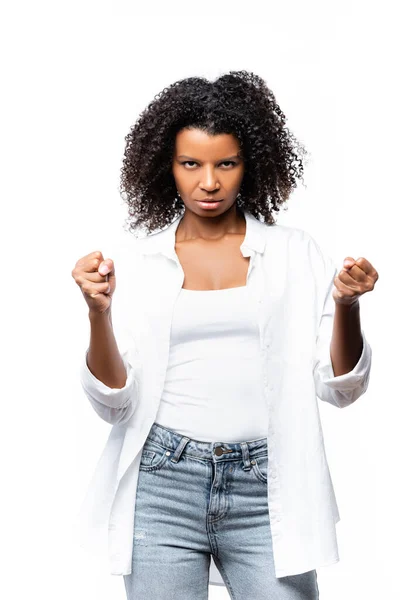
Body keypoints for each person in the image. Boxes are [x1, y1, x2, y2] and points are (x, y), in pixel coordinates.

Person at [72, 71, 377, 599]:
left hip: (268, 484)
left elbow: (340, 387)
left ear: (249, 166)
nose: (208, 182)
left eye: (225, 164)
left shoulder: (293, 254)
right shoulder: (141, 262)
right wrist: (98, 312)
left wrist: (346, 305)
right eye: (191, 163)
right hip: (163, 483)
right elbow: (115, 402)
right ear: (166, 167)